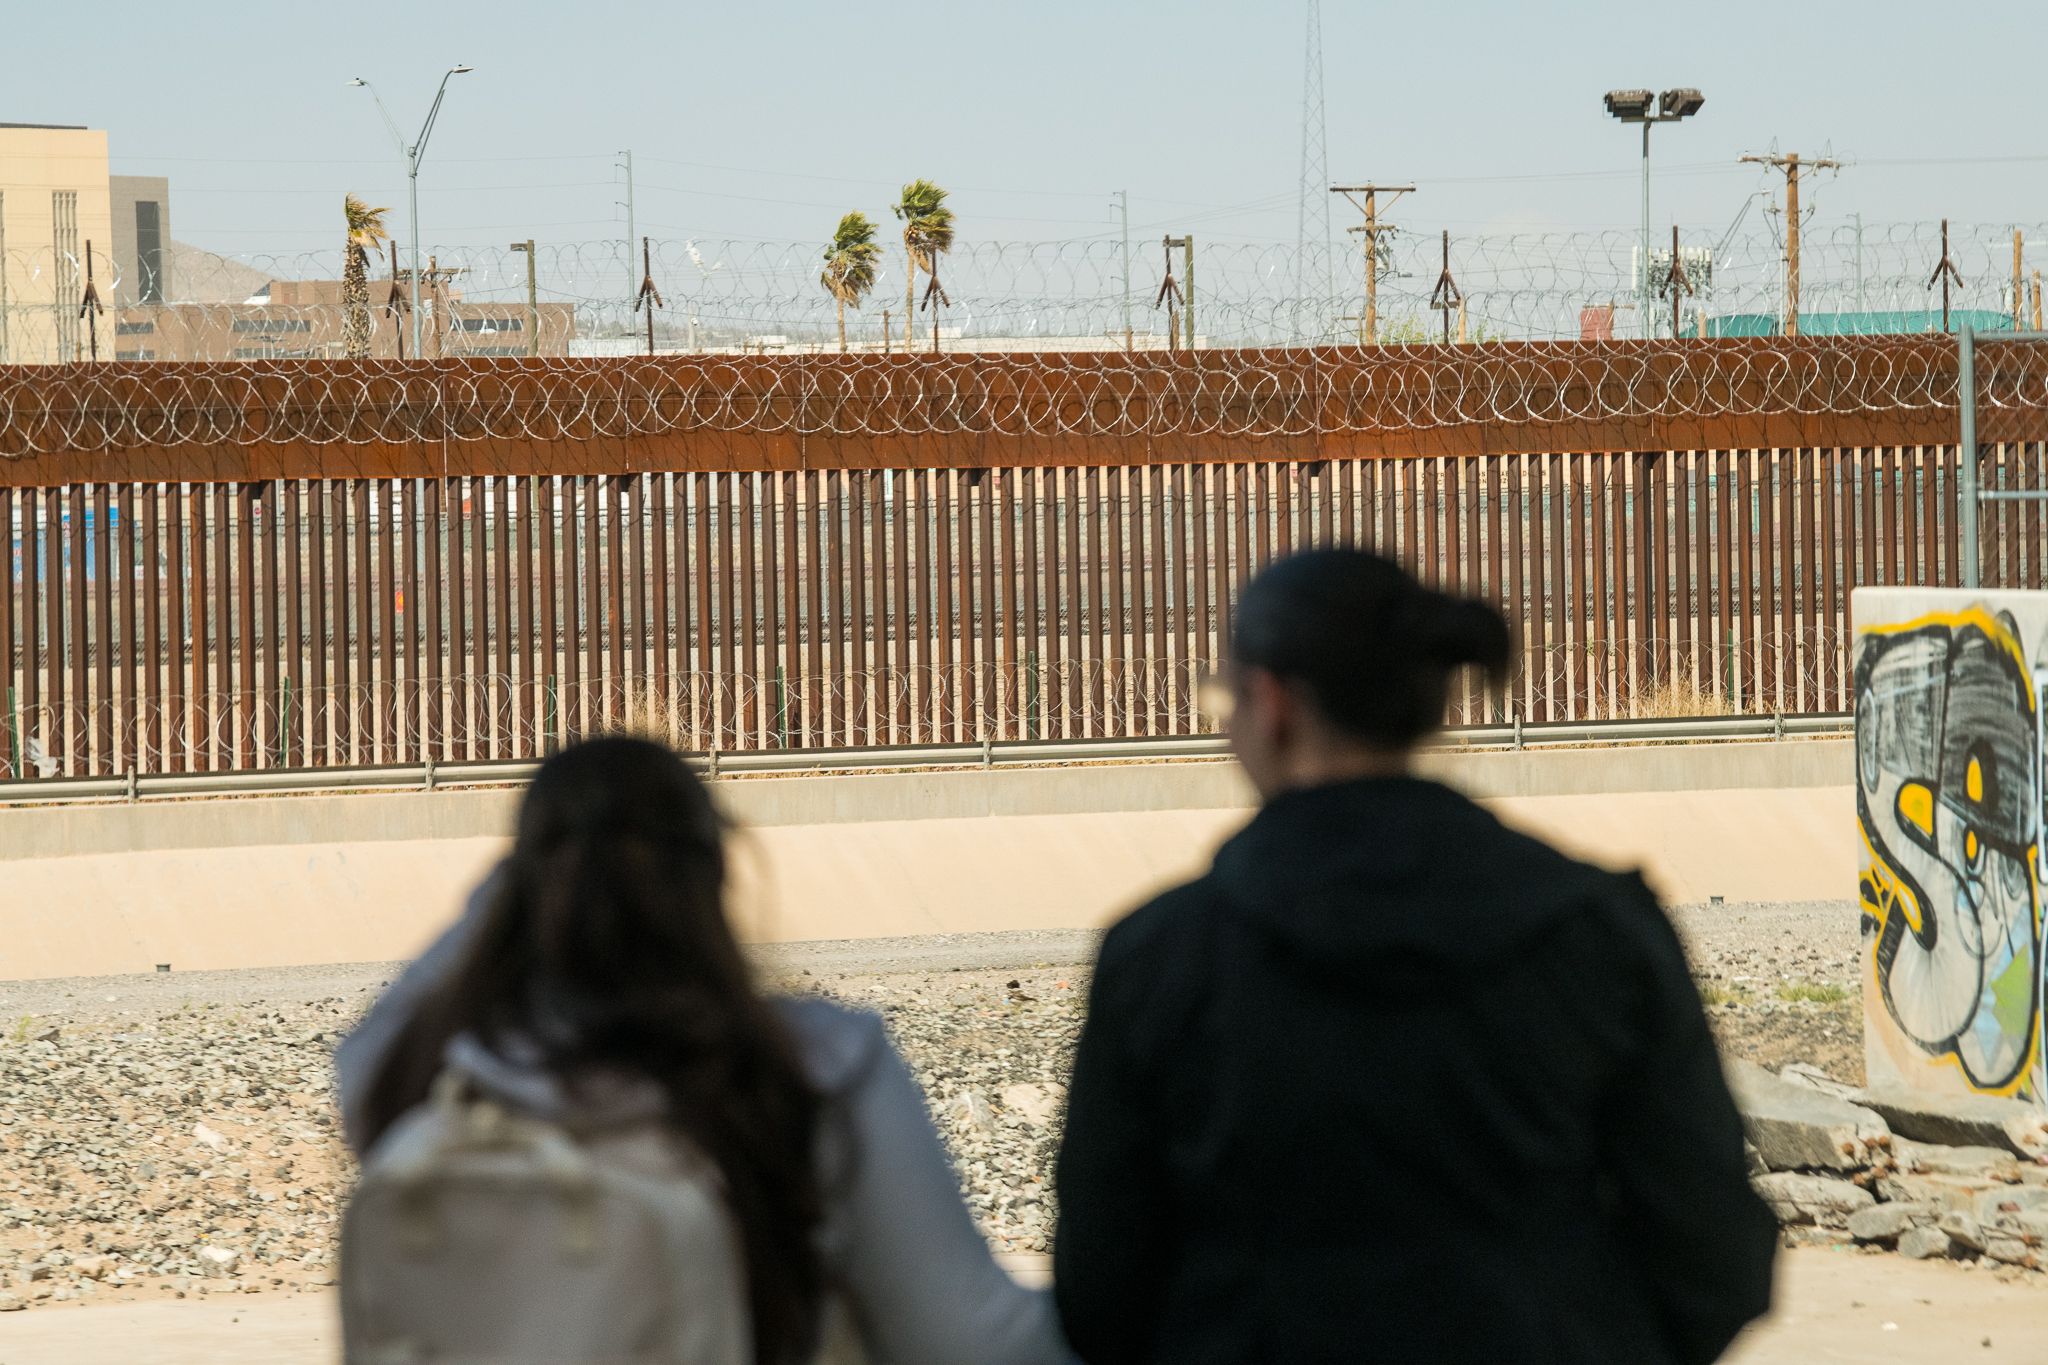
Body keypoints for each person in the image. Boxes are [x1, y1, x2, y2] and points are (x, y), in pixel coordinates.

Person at [1053, 549, 1776, 1365]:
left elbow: (1100, 1292)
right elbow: (1719, 1253)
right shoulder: (1600, 931)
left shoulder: (1160, 958)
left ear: (1274, 703)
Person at [335, 736, 1074, 1365]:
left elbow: (372, 1033)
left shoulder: (430, 1072)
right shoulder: (815, 1066)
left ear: (523, 888)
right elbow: (969, 1339)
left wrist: (555, 854)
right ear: (712, 874)